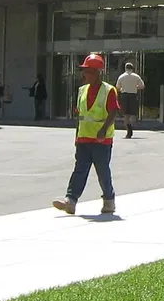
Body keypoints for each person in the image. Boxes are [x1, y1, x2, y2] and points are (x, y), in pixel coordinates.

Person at [51, 53, 119, 215]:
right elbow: (79, 116)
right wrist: (76, 137)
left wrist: (103, 130)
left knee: (102, 171)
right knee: (79, 170)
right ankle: (70, 200)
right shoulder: (82, 91)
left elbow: (113, 111)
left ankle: (109, 201)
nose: (85, 74)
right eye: (85, 71)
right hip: (84, 138)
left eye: (88, 71)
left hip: (102, 140)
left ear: (97, 72)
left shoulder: (109, 90)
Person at [115, 62, 144, 139]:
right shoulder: (136, 76)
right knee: (133, 113)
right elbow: (142, 86)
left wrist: (122, 89)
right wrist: (135, 87)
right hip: (133, 95)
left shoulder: (121, 77)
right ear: (132, 68)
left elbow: (117, 87)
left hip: (124, 95)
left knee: (126, 114)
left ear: (125, 68)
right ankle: (131, 125)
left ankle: (128, 129)